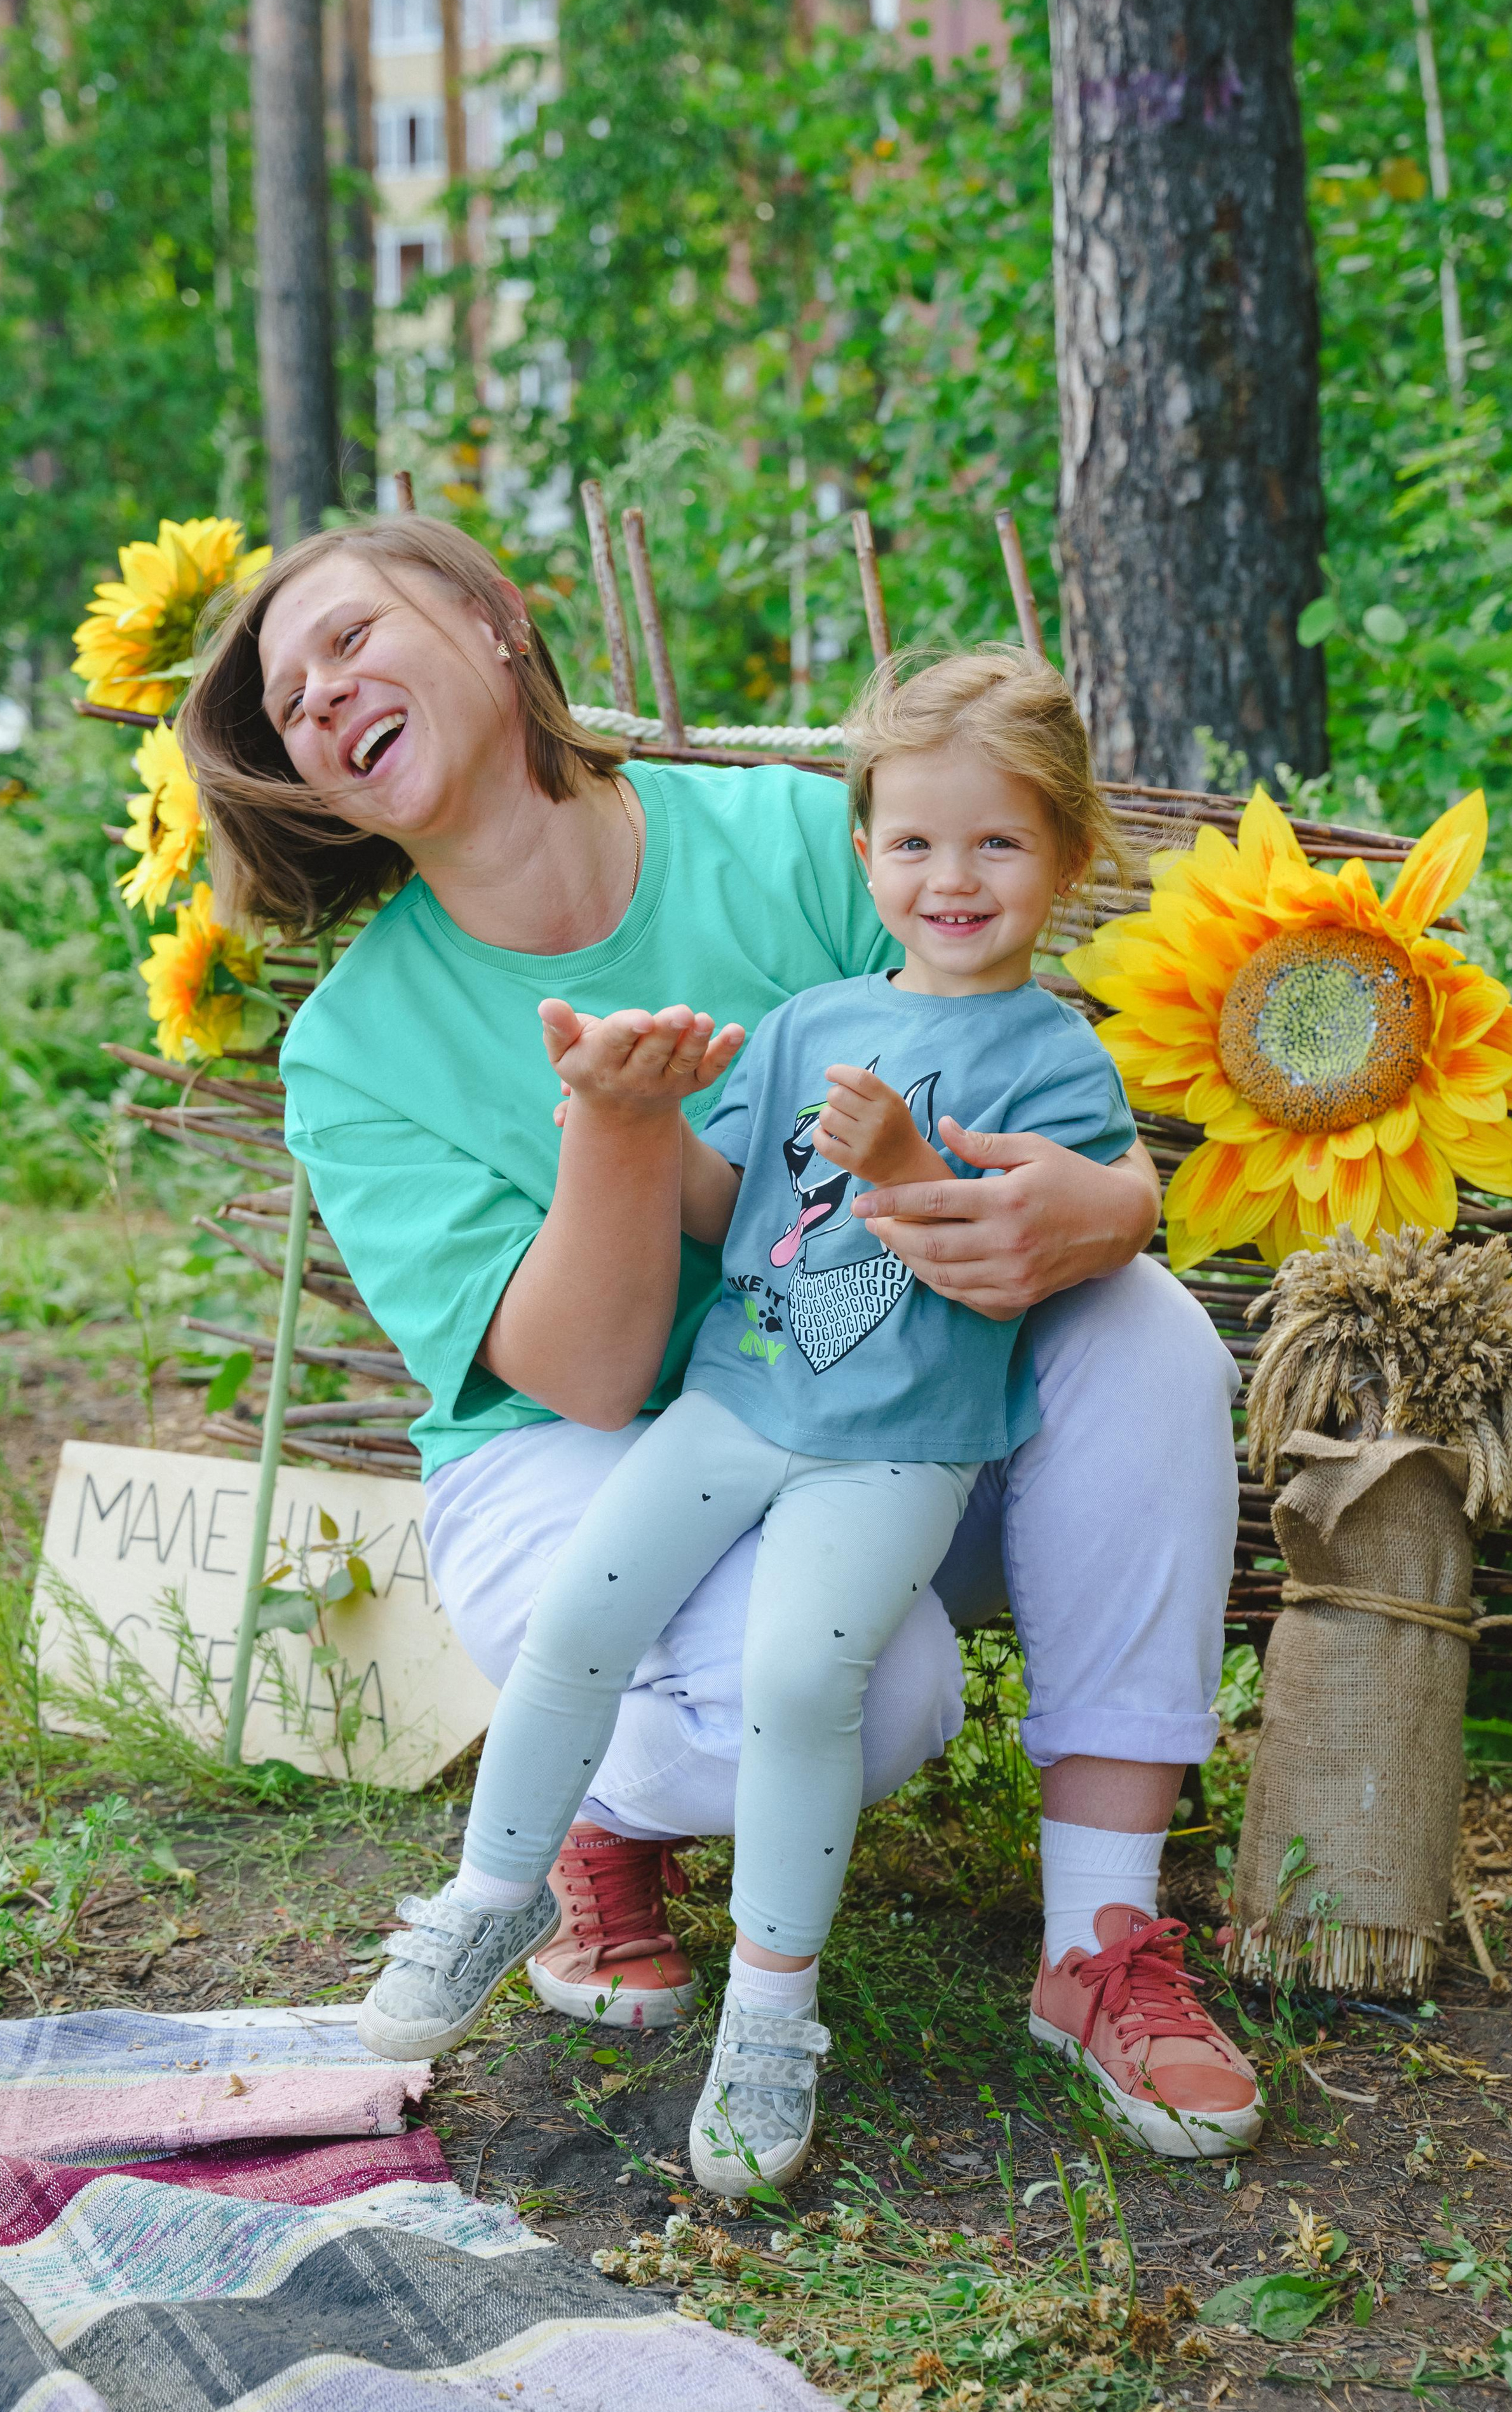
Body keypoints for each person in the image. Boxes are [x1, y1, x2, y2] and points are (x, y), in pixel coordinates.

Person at [182, 514, 1260, 2164]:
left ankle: (1098, 1938)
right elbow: (595, 1376)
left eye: (348, 638)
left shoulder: (802, 841)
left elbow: (1026, 1085)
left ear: (492, 618)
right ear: (311, 789)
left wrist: (1107, 1211)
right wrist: (618, 1131)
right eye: (287, 705)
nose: (320, 696)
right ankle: (592, 1818)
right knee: (870, 1694)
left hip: (888, 1405)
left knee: (1152, 1336)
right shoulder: (356, 1047)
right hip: (593, 1451)